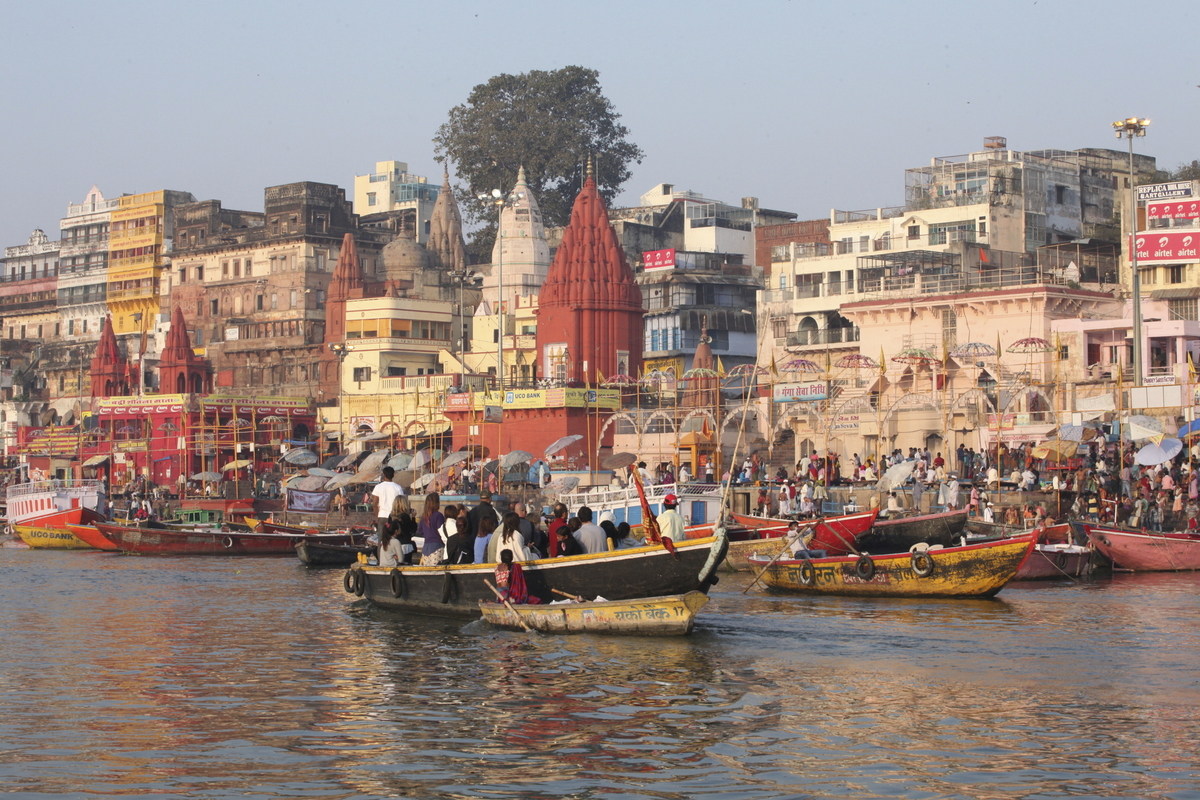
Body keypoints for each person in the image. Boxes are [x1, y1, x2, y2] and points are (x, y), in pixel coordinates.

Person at [371, 466, 405, 540]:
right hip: (394, 516)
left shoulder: (378, 487)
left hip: (382, 516)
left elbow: (374, 504)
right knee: (394, 539)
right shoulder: (398, 487)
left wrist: (378, 516)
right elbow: (402, 503)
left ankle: (381, 552)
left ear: (384, 475)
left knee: (381, 540)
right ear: (393, 475)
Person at [417, 492, 446, 566]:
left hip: (426, 547)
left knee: (426, 572)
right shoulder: (438, 515)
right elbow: (441, 531)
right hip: (437, 546)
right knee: (437, 571)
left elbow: (420, 531)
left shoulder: (424, 517)